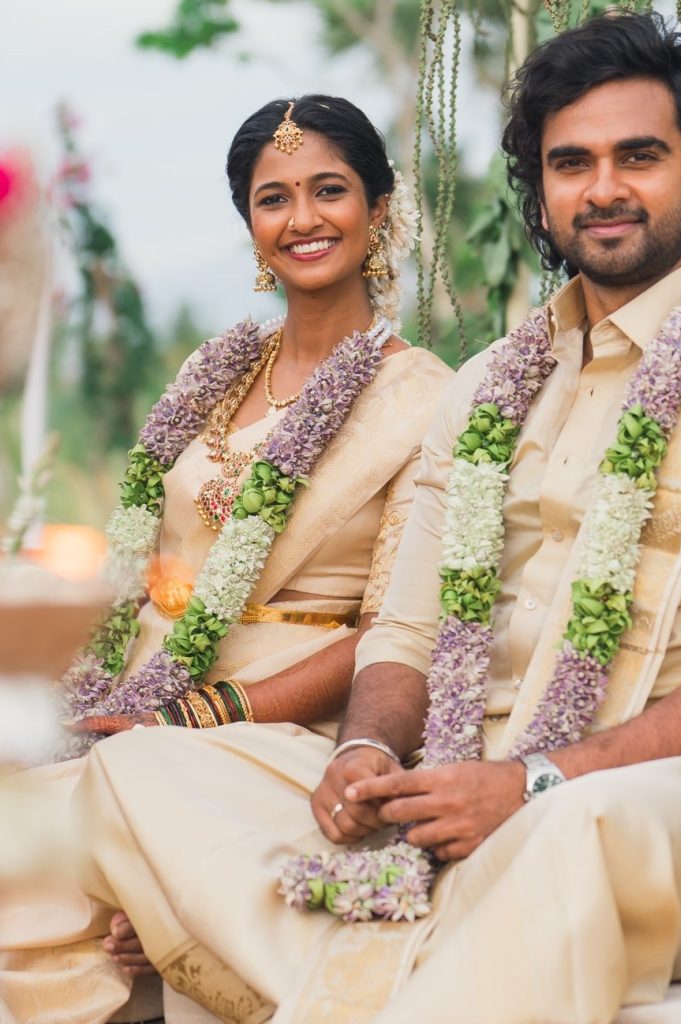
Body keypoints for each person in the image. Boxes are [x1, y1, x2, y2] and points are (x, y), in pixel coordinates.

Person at [63, 13, 681, 1024]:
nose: (602, 188)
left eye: (638, 157)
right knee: (146, 766)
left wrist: (532, 781)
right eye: (570, 163)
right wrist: (364, 757)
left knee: (573, 829)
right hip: (452, 781)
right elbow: (403, 633)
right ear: (542, 193)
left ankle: (334, 964)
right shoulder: (489, 386)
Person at [0, 94, 452, 1023]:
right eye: (273, 198)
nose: (303, 220)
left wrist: (200, 715)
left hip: (283, 716)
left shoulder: (428, 400)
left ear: (380, 206)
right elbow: (144, 569)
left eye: (329, 190)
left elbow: (398, 626)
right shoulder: (215, 370)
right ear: (249, 223)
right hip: (138, 691)